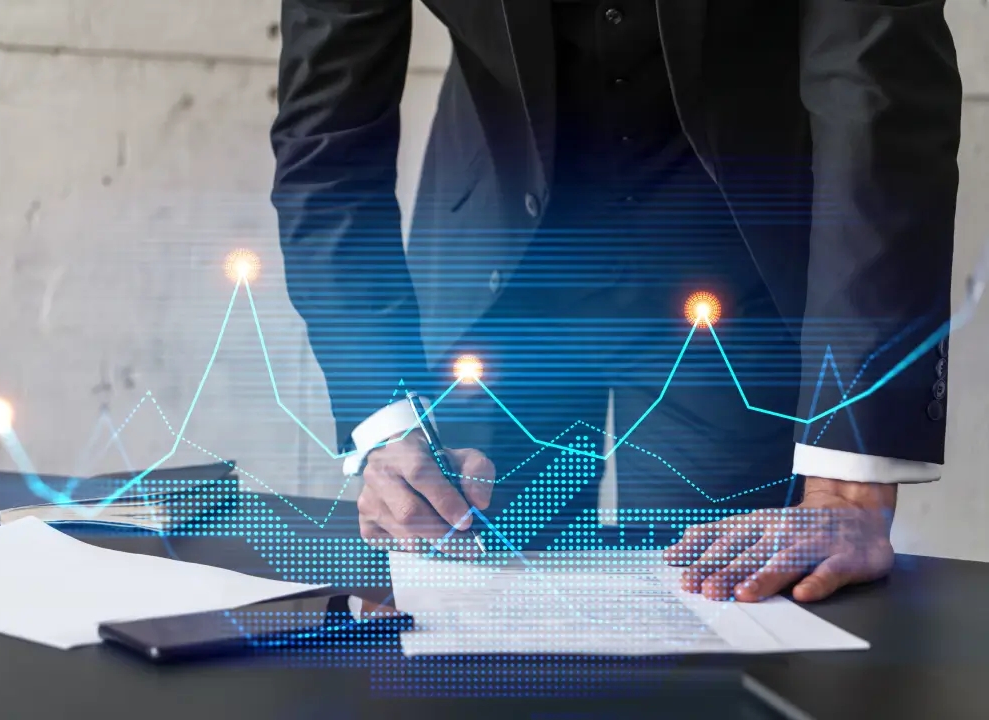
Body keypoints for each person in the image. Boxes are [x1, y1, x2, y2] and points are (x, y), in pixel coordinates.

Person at [270, 0, 961, 602]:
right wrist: (386, 425)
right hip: (495, 277)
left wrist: (849, 483)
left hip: (726, 280)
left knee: (723, 620)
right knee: (465, 632)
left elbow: (878, 97)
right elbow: (328, 139)